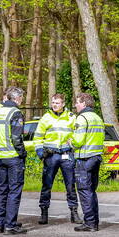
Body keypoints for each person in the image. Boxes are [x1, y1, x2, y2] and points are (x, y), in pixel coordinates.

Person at [0, 86, 28, 235]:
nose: (21, 100)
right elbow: (17, 138)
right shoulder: (15, 112)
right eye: (21, 98)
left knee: (0, 190)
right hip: (13, 158)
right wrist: (22, 153)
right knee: (14, 191)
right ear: (17, 98)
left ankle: (0, 224)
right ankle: (10, 225)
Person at [35, 93, 79, 225]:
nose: (54, 105)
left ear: (63, 104)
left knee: (70, 185)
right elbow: (38, 137)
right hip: (50, 155)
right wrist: (40, 152)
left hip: (67, 155)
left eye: (57, 103)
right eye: (53, 102)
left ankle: (74, 212)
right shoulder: (46, 117)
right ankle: (44, 212)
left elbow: (78, 134)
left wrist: (74, 146)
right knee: (47, 185)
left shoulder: (72, 117)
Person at [70, 92, 105, 232]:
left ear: (84, 103)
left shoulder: (82, 118)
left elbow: (78, 141)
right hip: (96, 157)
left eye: (77, 102)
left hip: (84, 159)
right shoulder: (97, 118)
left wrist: (70, 142)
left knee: (84, 191)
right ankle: (94, 221)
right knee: (91, 191)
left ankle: (89, 223)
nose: (75, 105)